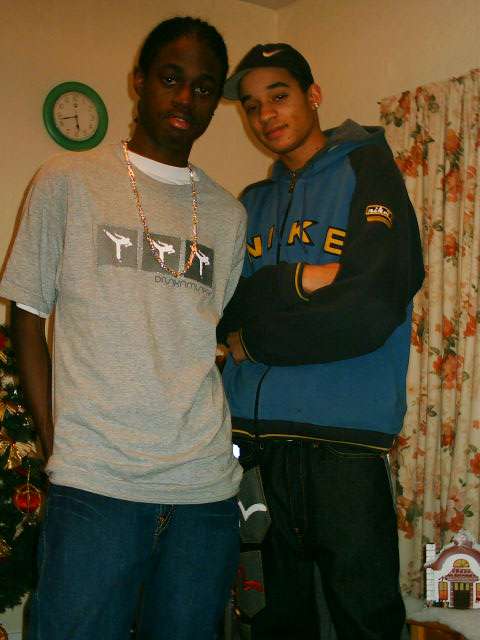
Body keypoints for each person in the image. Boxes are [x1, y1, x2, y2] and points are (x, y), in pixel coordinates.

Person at [0, 17, 246, 640]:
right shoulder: (67, 180)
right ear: (139, 81)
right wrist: (56, 441)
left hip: (204, 489)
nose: (185, 98)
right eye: (171, 78)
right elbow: (26, 317)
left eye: (204, 87)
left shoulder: (228, 214)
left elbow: (202, 330)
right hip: (97, 483)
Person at [218, 43, 425, 640]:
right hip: (253, 447)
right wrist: (296, 283)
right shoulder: (250, 204)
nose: (266, 115)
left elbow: (370, 306)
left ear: (313, 96)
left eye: (279, 96)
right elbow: (222, 310)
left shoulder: (367, 170)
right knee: (275, 620)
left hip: (343, 444)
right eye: (252, 105)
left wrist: (255, 341)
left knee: (364, 619)